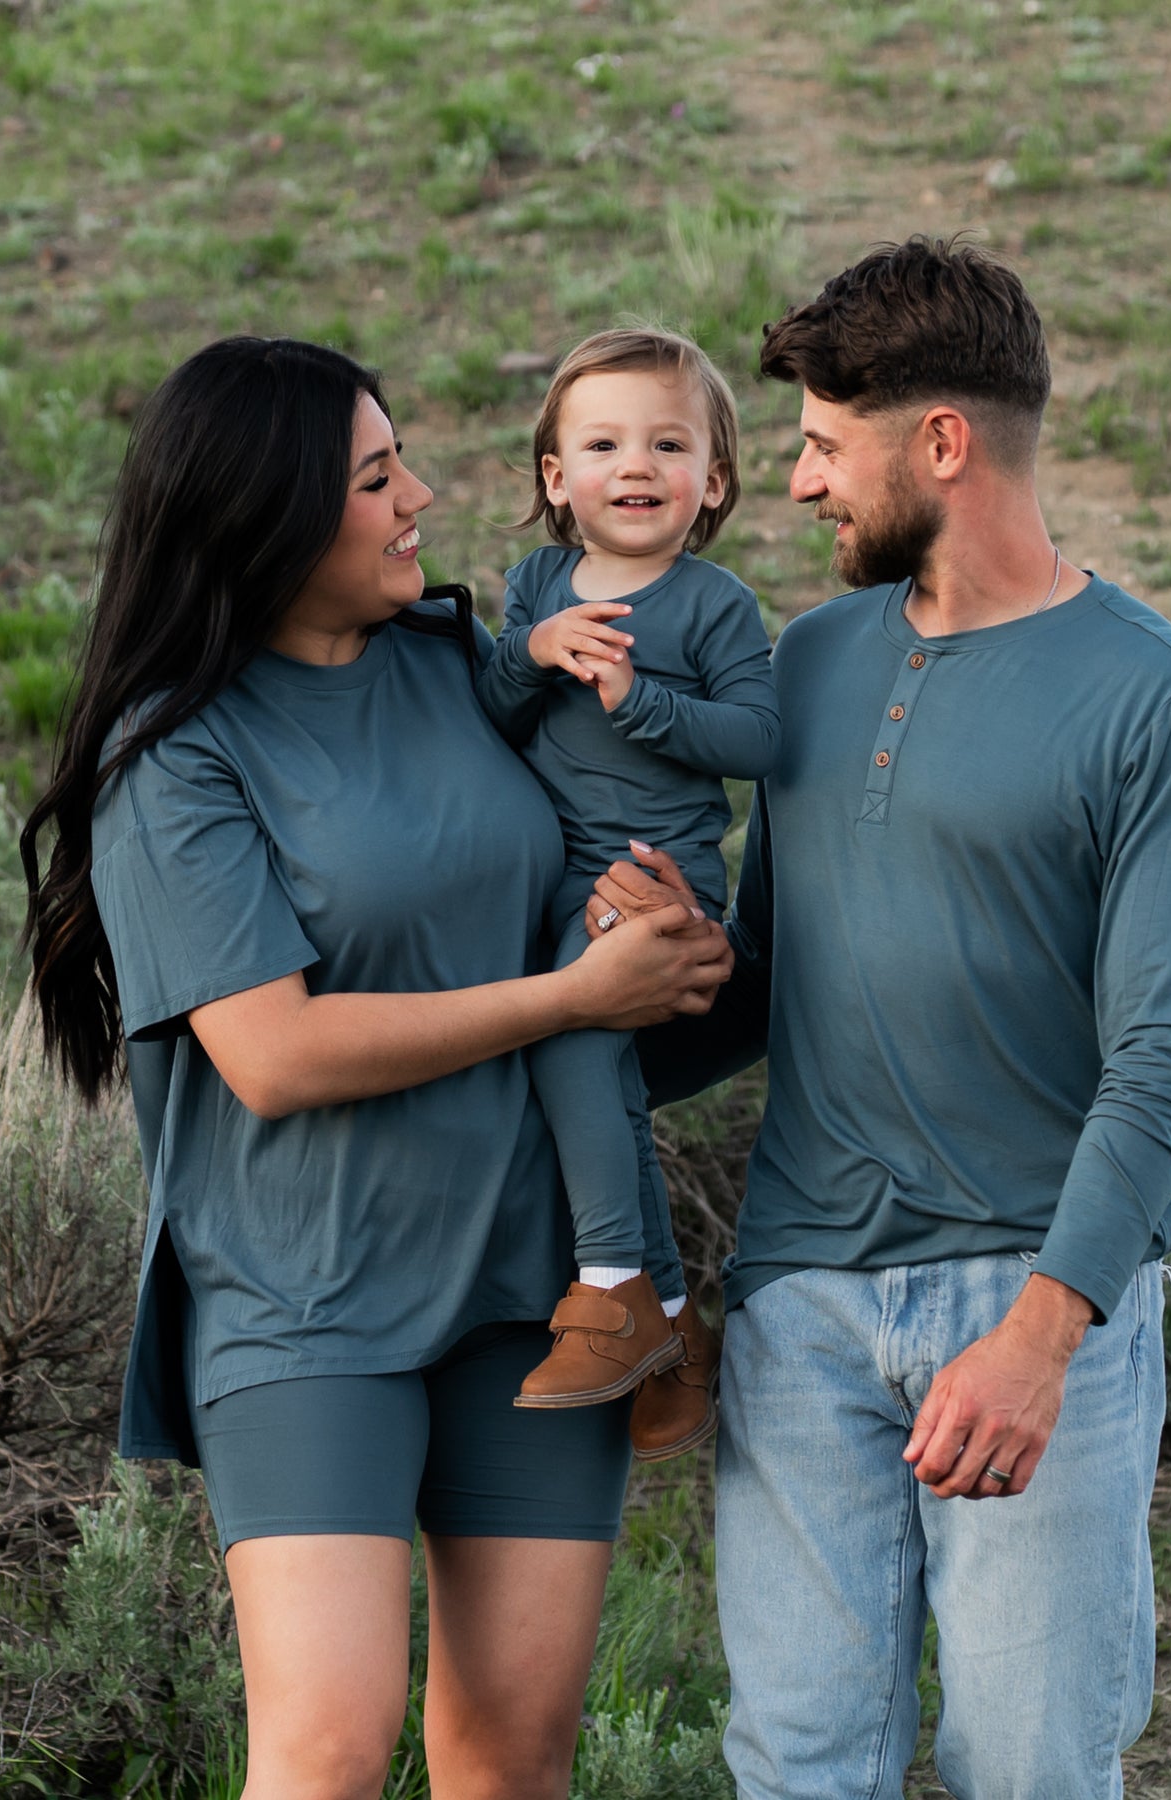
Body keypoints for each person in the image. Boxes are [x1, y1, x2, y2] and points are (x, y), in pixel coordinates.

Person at [589, 239, 1171, 1798]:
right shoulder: (812, 661)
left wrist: (1042, 1339)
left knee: (1029, 1766)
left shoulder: (1162, 705)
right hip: (804, 1306)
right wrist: (615, 996)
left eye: (827, 445)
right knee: (799, 1765)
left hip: (1034, 1309)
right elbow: (772, 985)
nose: (804, 483)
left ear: (941, 444)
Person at [18, 336, 731, 1800]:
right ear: (269, 518)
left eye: (401, 458)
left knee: (513, 1755)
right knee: (331, 1749)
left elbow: (599, 833)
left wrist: (666, 940)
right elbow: (271, 1055)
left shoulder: (463, 668)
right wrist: (568, 995)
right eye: (374, 475)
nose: (420, 494)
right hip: (306, 1303)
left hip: (529, 1294)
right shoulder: (178, 756)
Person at [475, 328, 778, 1458]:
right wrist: (530, 651)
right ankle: (669, 1331)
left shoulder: (711, 606)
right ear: (558, 478)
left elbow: (759, 737)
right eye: (602, 443)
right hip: (555, 877)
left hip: (658, 884)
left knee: (571, 1038)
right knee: (600, 1076)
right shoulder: (539, 585)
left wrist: (638, 700)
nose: (635, 464)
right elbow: (494, 717)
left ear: (714, 479)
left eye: (668, 442)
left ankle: (610, 1290)